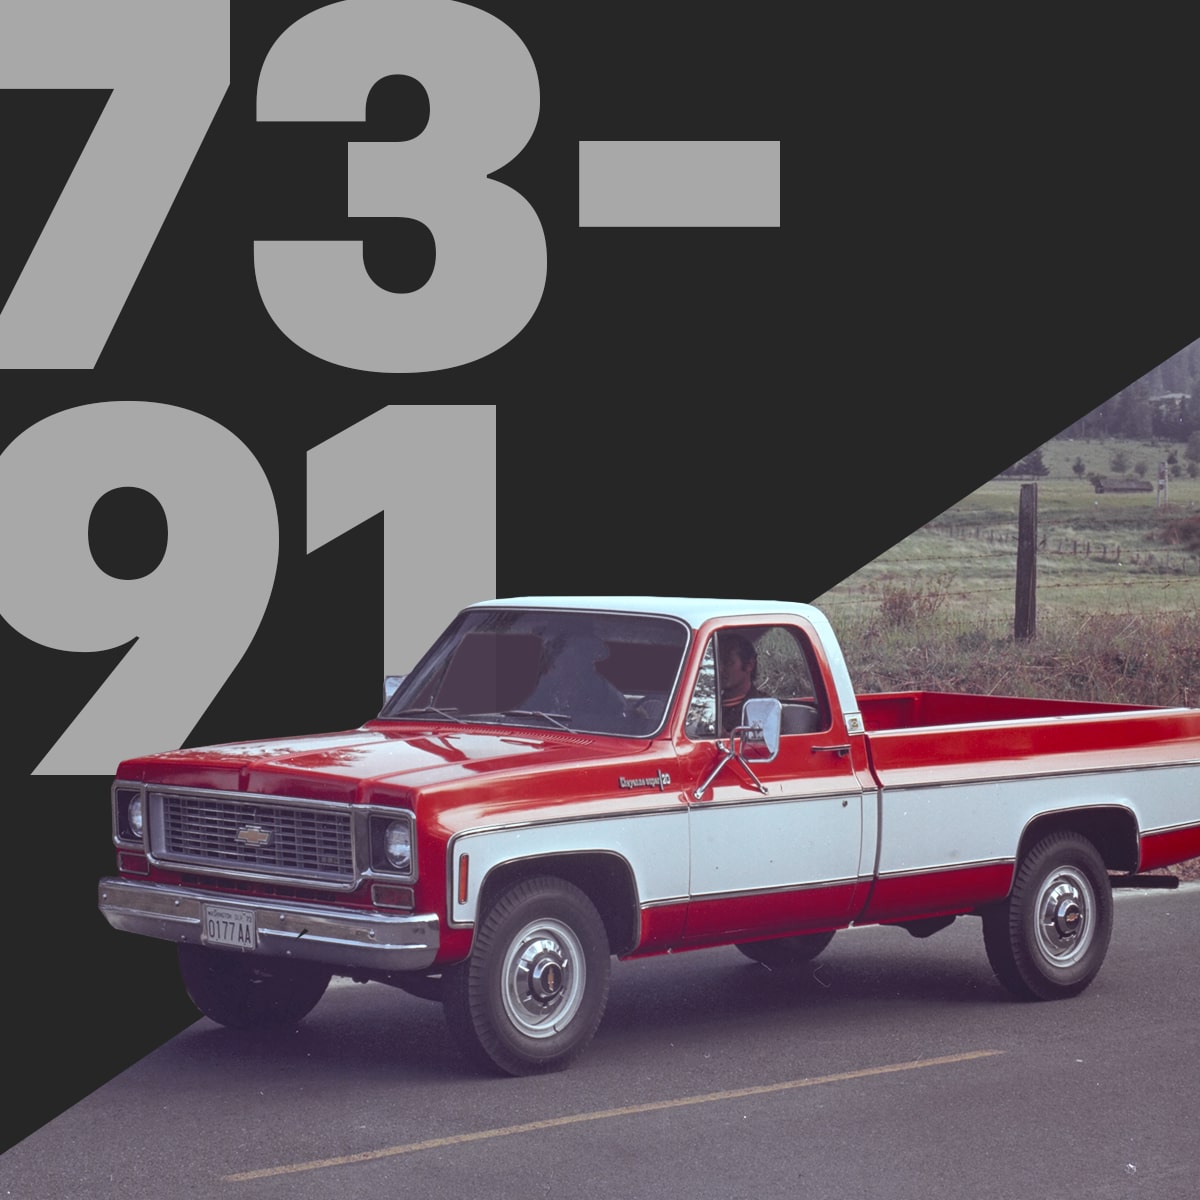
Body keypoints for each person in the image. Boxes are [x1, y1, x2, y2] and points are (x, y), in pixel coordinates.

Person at [719, 632, 767, 735]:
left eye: (728, 662)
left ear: (749, 665)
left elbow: (762, 748)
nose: (720, 669)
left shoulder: (764, 708)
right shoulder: (710, 704)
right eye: (718, 662)